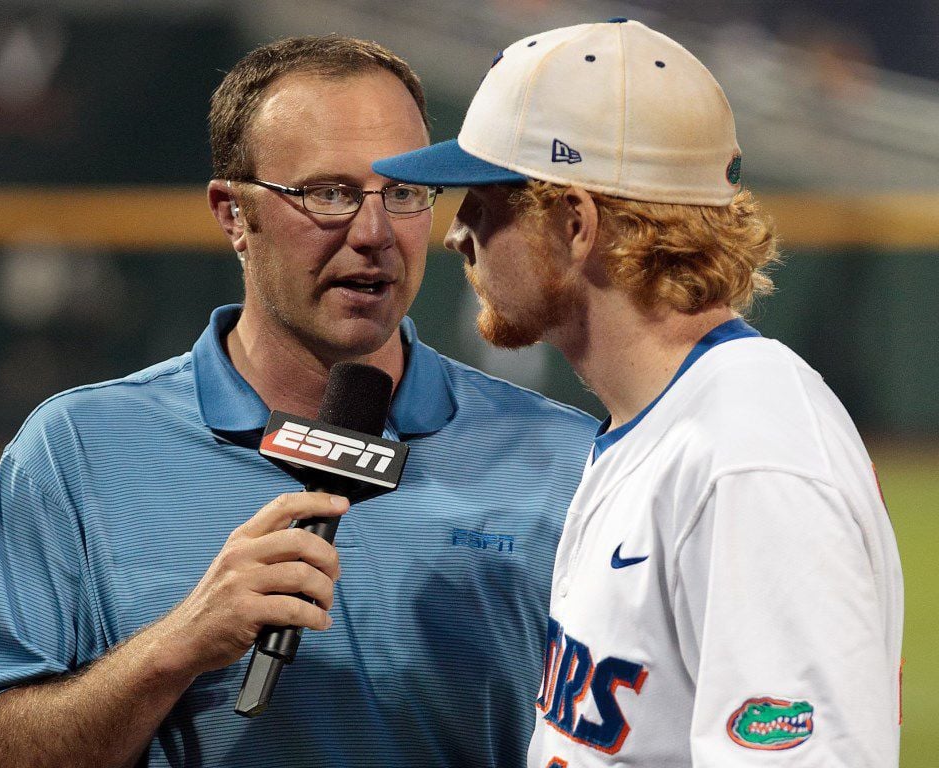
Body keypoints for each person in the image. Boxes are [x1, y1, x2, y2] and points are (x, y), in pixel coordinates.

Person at [0, 36, 599, 768]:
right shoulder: (78, 449)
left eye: (403, 193)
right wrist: (174, 648)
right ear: (231, 215)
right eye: (328, 194)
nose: (374, 234)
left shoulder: (564, 460)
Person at [374, 19, 903, 768]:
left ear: (575, 223)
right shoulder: (659, 427)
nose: (458, 233)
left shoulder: (748, 457)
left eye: (485, 203)